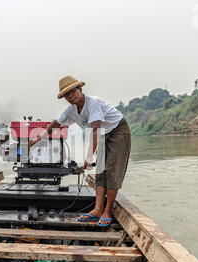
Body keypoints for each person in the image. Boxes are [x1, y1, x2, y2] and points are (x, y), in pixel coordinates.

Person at [28, 75, 131, 226]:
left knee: (112, 170)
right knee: (101, 171)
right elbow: (55, 123)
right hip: (102, 133)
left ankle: (107, 211)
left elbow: (95, 130)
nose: (70, 96)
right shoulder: (71, 110)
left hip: (118, 130)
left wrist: (89, 157)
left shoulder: (93, 103)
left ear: (80, 89)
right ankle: (97, 209)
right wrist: (39, 138)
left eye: (72, 92)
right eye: (66, 95)